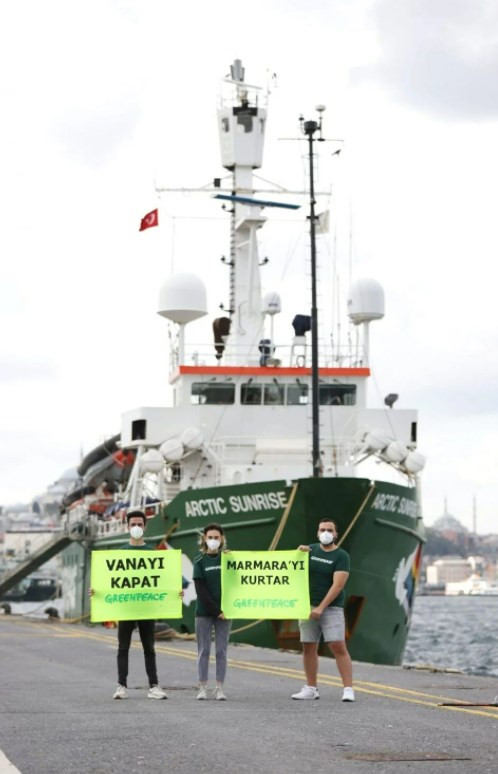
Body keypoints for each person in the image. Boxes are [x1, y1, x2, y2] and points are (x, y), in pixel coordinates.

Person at [90, 509, 180, 701]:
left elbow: (163, 580)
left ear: (144, 527)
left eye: (140, 524)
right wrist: (95, 591)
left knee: (150, 648)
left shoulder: (153, 554)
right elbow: (109, 580)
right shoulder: (121, 553)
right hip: (126, 608)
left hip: (147, 608)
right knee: (123, 647)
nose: (137, 527)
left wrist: (175, 593)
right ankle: (121, 686)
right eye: (133, 524)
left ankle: (154, 686)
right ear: (127, 526)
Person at [292, 518, 354, 702]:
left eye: (329, 530)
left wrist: (321, 607)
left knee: (337, 645)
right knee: (308, 646)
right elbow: (291, 570)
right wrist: (296, 554)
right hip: (307, 606)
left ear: (336, 534)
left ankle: (348, 689)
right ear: (317, 533)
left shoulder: (341, 556)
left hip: (331, 607)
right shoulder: (309, 550)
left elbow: (338, 585)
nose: (325, 533)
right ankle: (311, 688)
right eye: (322, 530)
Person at [193, 523, 231, 701]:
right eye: (210, 537)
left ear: (222, 539)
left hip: (226, 611)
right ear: (204, 539)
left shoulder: (228, 560)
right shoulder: (199, 562)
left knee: (222, 651)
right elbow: (201, 591)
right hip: (205, 612)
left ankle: (219, 688)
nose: (213, 541)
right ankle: (202, 687)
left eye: (216, 537)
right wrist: (217, 611)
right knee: (204, 650)